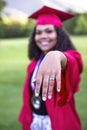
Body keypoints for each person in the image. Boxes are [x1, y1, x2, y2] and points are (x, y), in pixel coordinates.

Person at [18, 6, 83, 130]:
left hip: (58, 123)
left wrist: (58, 56)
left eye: (49, 31)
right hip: (35, 121)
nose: (43, 36)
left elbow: (73, 62)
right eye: (38, 32)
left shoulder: (71, 57)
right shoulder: (33, 64)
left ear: (59, 34)